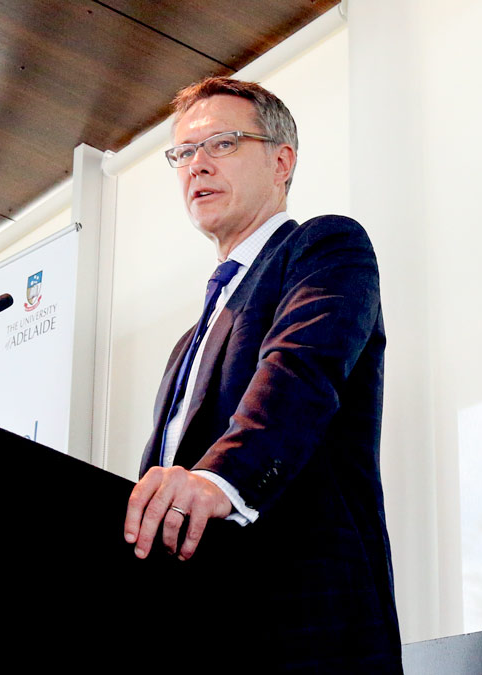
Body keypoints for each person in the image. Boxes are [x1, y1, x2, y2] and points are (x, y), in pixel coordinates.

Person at [122, 76, 401, 669]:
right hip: (196, 624)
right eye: (184, 153)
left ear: (281, 162)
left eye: (221, 144)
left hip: (298, 619)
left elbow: (301, 372)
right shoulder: (185, 346)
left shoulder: (325, 248)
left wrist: (217, 481)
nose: (197, 166)